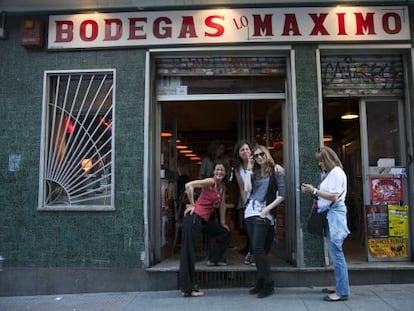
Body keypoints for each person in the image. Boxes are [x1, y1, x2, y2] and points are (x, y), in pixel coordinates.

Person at [301, 146, 350, 302]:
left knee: (336, 253)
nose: (320, 164)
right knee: (335, 253)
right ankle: (339, 286)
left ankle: (342, 291)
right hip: (332, 215)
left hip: (334, 215)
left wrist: (314, 191)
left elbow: (334, 196)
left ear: (327, 159)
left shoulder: (335, 172)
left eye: (321, 161)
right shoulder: (331, 173)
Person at [179, 160, 230, 298]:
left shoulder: (222, 187)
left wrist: (224, 222)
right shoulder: (210, 182)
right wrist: (192, 204)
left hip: (203, 221)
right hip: (194, 218)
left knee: (224, 233)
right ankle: (188, 288)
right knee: (188, 253)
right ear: (213, 172)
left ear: (225, 173)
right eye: (217, 170)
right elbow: (189, 185)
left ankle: (213, 259)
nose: (219, 172)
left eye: (222, 170)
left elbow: (223, 204)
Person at [244, 145, 285, 298]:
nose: (259, 157)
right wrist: (249, 168)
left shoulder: (276, 171)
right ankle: (260, 282)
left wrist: (267, 209)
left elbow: (282, 194)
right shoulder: (254, 173)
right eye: (256, 156)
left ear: (267, 154)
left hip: (264, 214)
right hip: (250, 212)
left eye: (262, 154)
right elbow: (248, 189)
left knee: (258, 248)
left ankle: (268, 284)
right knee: (256, 250)